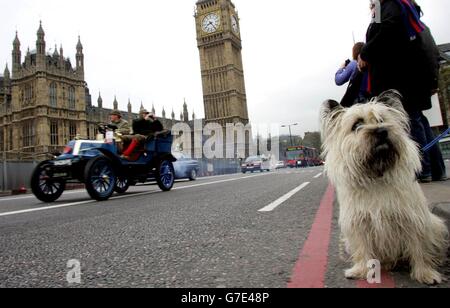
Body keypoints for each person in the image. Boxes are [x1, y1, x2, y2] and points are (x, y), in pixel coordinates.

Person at [358, 0, 446, 182]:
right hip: (409, 77)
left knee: (410, 122)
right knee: (418, 120)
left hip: (399, 78)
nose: (371, 4)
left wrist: (365, 52)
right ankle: (436, 168)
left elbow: (387, 33)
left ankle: (422, 169)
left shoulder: (391, 6)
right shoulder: (402, 7)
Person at [335, 42, 369, 107]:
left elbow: (338, 80)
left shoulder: (354, 63)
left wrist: (341, 68)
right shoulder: (371, 63)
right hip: (371, 100)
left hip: (357, 102)